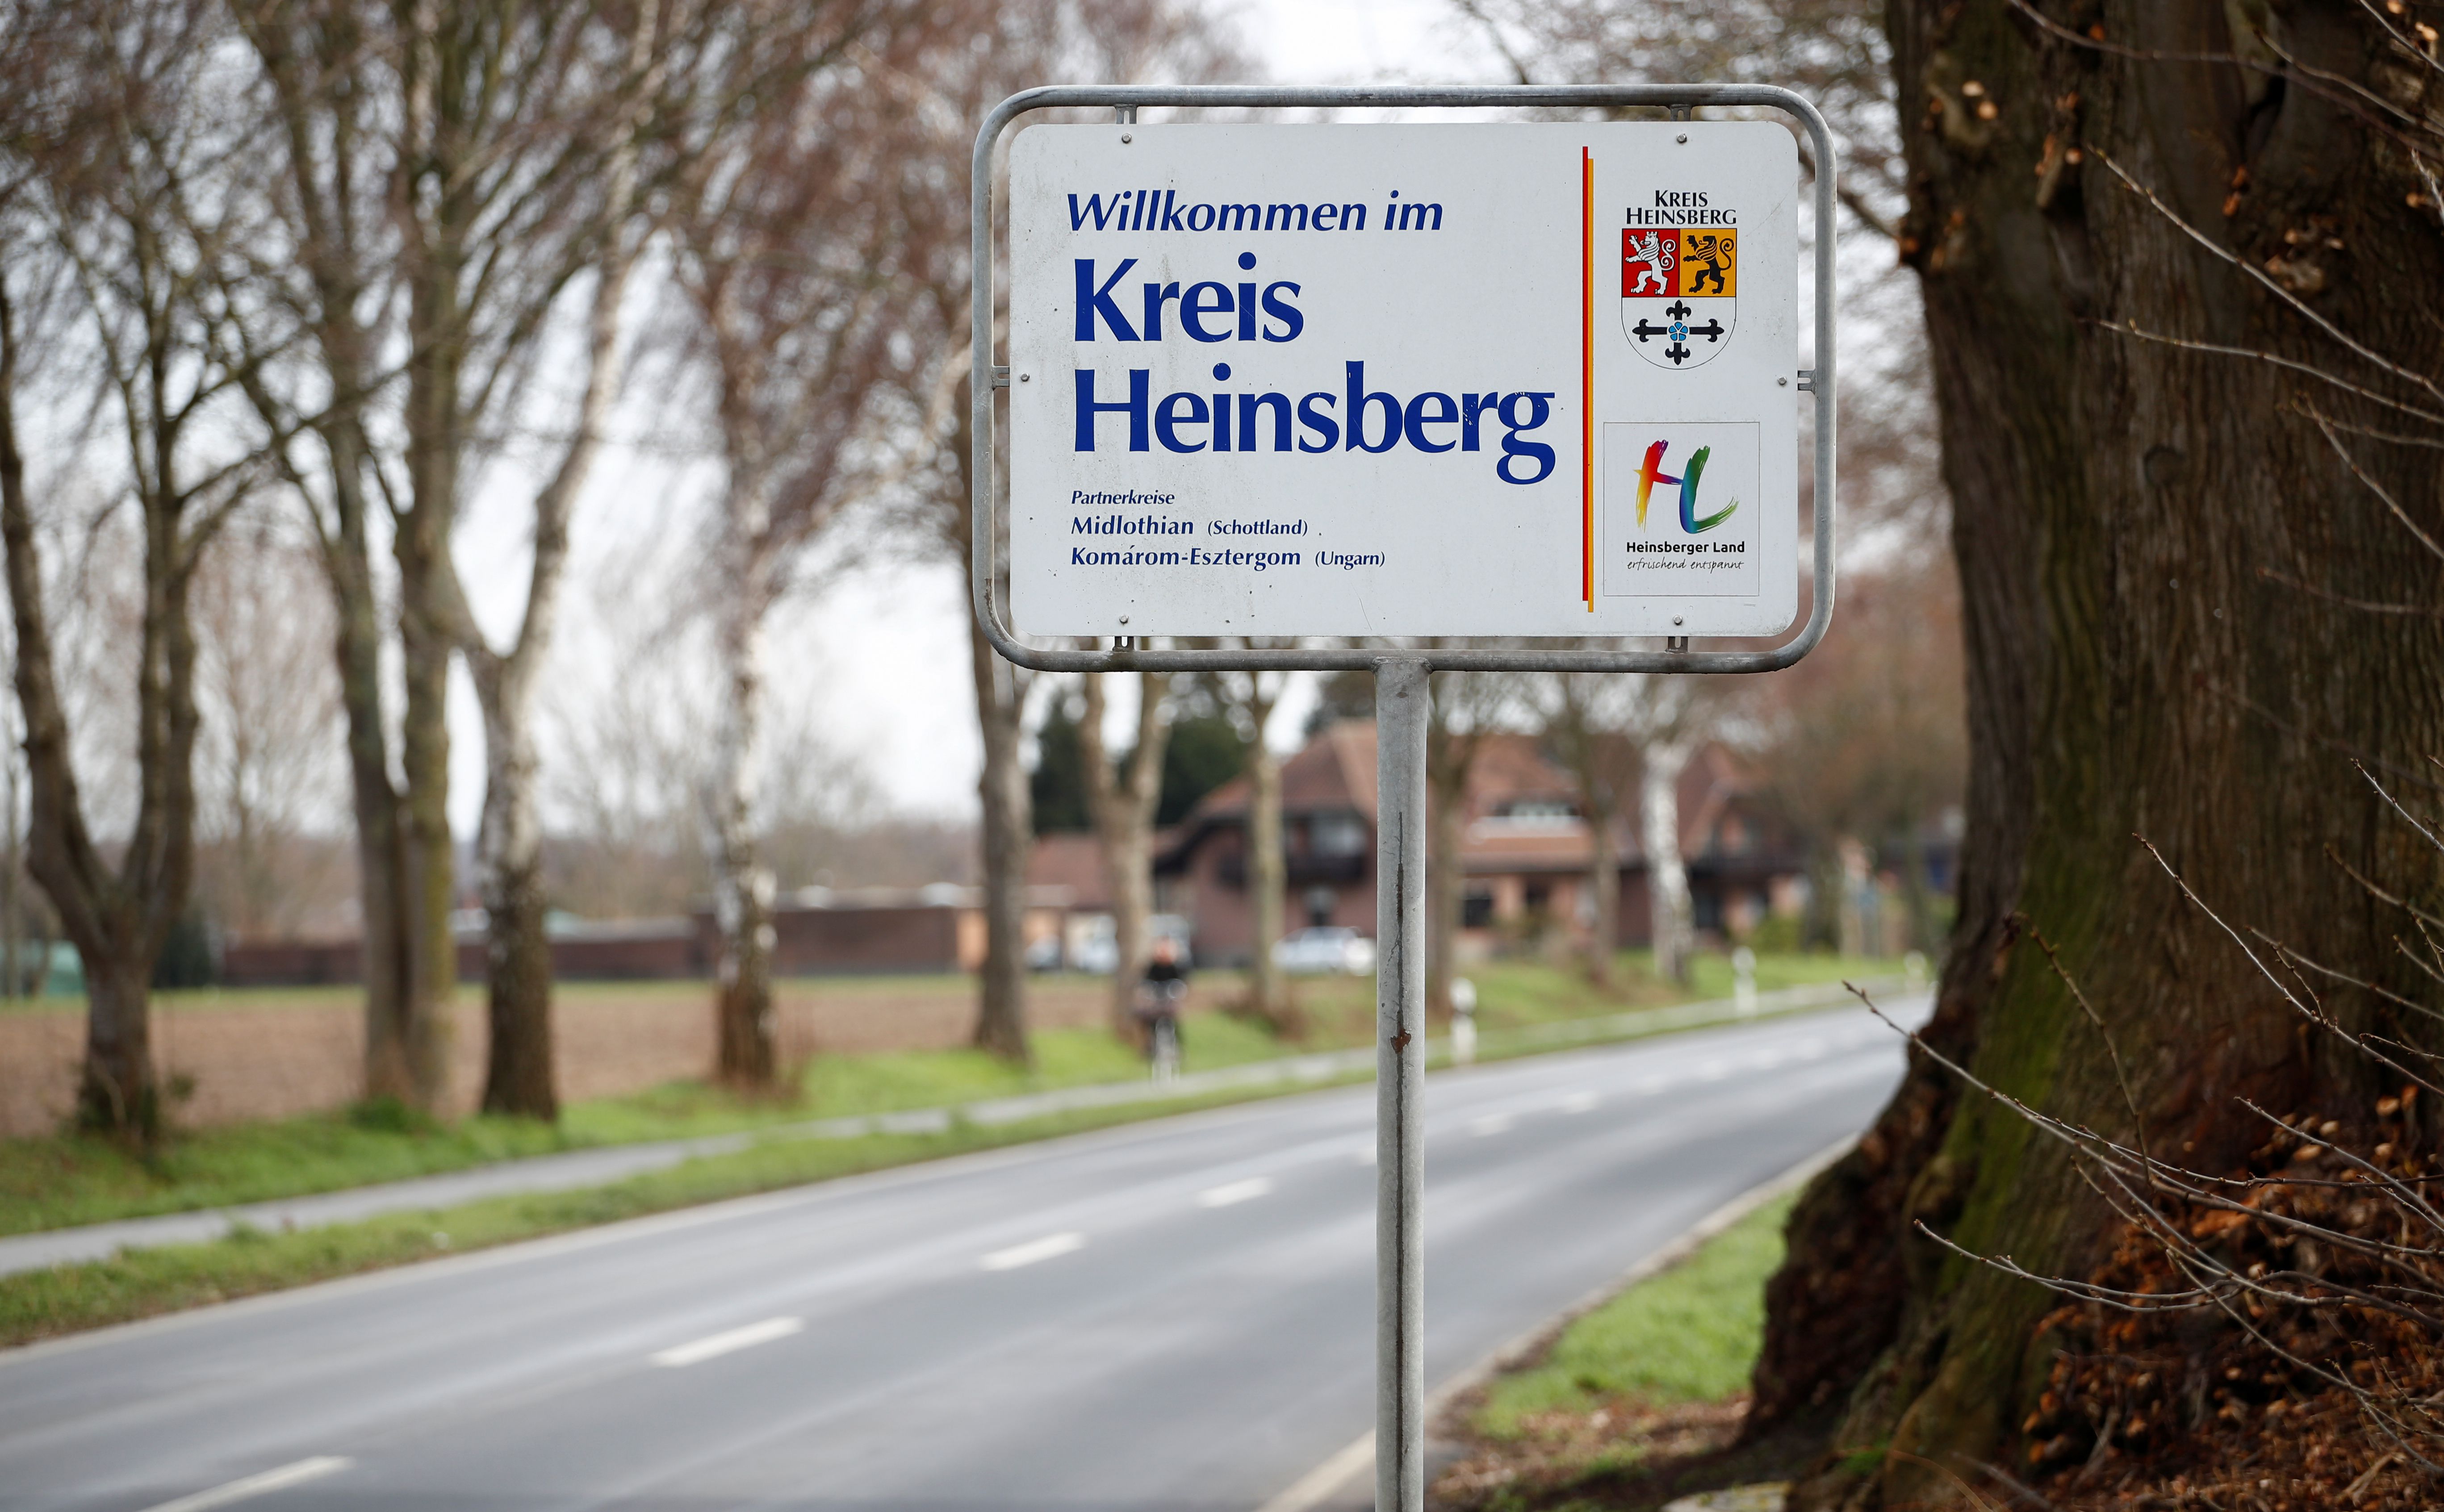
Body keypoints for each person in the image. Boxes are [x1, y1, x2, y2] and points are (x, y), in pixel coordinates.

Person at [1135, 935, 1189, 1081]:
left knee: (1173, 1024)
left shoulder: (1176, 967)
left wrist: (1178, 991)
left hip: (1170, 1004)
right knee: (1150, 1022)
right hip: (1157, 1004)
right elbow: (1145, 982)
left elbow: (1183, 983)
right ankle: (1150, 1048)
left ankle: (1177, 1049)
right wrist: (1145, 992)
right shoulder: (1153, 967)